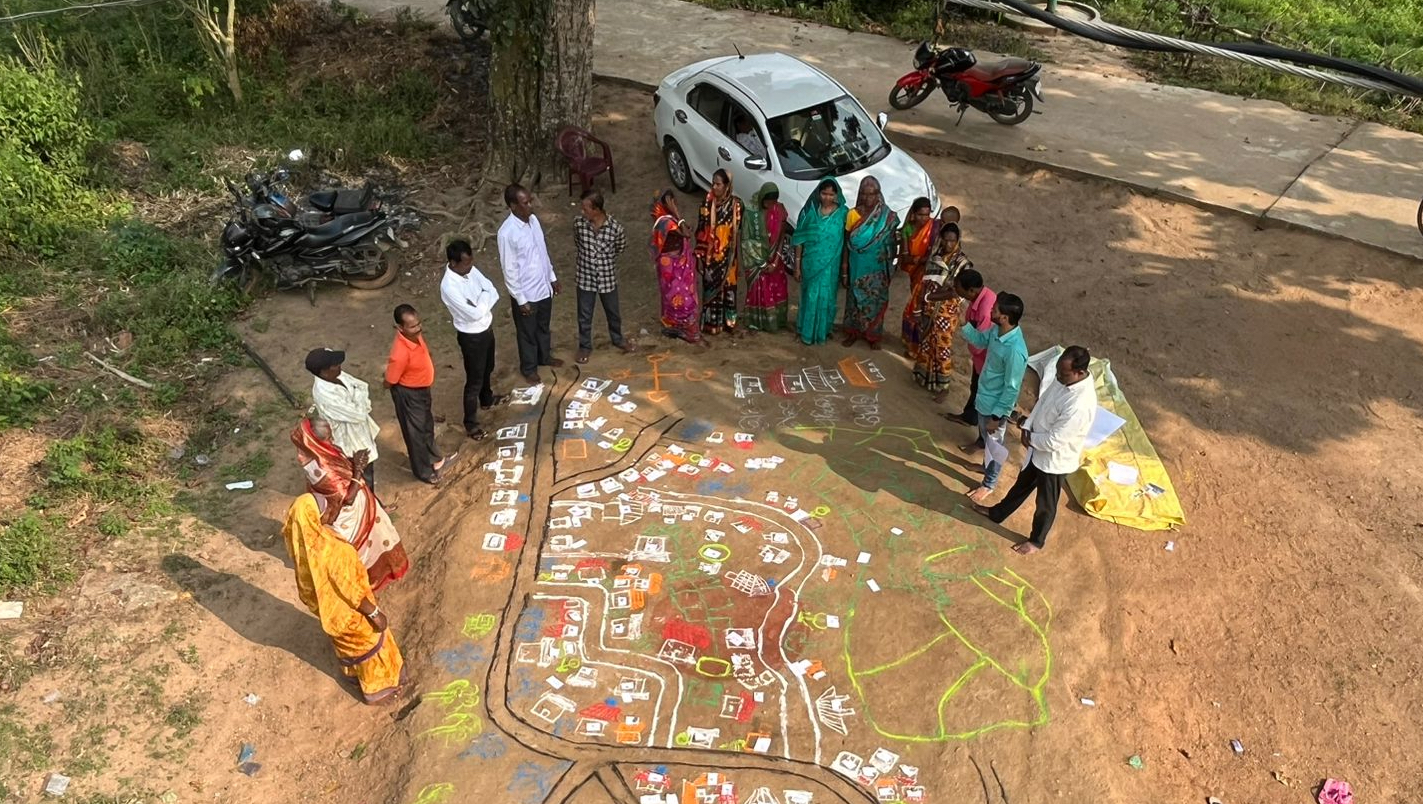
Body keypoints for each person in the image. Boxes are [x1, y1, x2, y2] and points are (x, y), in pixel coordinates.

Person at [281, 490, 406, 704]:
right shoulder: (330, 550)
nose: (330, 511)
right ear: (314, 517)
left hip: (329, 613)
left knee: (347, 646)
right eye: (324, 510)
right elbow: (351, 590)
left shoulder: (301, 546)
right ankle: (380, 689)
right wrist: (374, 614)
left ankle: (352, 675)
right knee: (371, 643)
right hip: (352, 613)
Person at [974, 346, 1097, 554]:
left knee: (1045, 504)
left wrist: (1031, 439)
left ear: (1080, 372)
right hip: (1036, 447)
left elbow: (1055, 440)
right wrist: (1027, 426)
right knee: (1021, 485)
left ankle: (1036, 541)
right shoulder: (1063, 380)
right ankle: (997, 513)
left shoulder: (1080, 404)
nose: (1058, 377)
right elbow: (1042, 403)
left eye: (1064, 374)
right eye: (1057, 372)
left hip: (1054, 461)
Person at [291, 416, 409, 590]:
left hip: (354, 505)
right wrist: (359, 470)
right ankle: (369, 581)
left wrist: (354, 462)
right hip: (350, 515)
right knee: (365, 548)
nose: (332, 441)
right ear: (315, 443)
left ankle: (383, 570)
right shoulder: (321, 470)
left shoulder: (318, 454)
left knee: (379, 537)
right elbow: (347, 498)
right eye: (328, 439)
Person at [959, 292, 1028, 503]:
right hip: (983, 398)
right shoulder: (996, 330)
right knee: (987, 440)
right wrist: (964, 323)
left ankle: (989, 484)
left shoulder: (1015, 351)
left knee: (994, 445)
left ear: (1005, 317)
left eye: (995, 310)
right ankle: (984, 467)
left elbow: (1011, 389)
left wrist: (997, 416)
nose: (991, 311)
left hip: (995, 407)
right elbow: (980, 340)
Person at [498, 183, 563, 384]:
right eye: (525, 203)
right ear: (513, 206)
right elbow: (509, 269)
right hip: (526, 293)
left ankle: (544, 356)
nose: (530, 206)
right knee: (527, 332)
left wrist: (552, 277)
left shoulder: (534, 221)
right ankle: (529, 368)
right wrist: (520, 299)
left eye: (530, 201)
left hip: (543, 286)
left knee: (543, 326)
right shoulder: (507, 233)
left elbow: (542, 252)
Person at [440, 240, 504, 442]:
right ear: (453, 262)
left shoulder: (471, 270)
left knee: (488, 367)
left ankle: (487, 399)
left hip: (486, 328)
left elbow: (493, 290)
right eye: (465, 264)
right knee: (474, 379)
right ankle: (471, 423)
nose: (470, 266)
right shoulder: (449, 287)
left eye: (470, 262)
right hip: (471, 336)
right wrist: (485, 298)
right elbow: (474, 314)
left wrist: (482, 299)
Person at [384, 304, 454, 485]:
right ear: (400, 328)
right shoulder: (399, 353)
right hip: (408, 394)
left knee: (426, 425)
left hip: (422, 390)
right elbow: (390, 379)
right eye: (412, 326)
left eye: (419, 323)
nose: (418, 328)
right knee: (415, 433)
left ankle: (436, 459)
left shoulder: (414, 337)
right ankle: (422, 471)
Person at [305, 347, 381, 492]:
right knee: (361, 477)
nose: (339, 366)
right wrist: (361, 401)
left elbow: (362, 386)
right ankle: (371, 509)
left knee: (368, 471)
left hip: (359, 432)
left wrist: (360, 404)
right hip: (350, 441)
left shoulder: (337, 375)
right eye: (335, 365)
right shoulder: (325, 396)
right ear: (324, 371)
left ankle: (375, 505)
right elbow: (359, 413)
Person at [572, 188, 634, 363]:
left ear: (597, 209)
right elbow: (577, 242)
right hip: (585, 277)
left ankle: (618, 338)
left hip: (607, 278)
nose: (582, 212)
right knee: (584, 315)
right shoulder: (578, 224)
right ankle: (585, 346)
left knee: (613, 312)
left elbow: (620, 248)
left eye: (586, 209)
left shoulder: (615, 229)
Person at [913, 223, 973, 402]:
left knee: (942, 348)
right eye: (945, 240)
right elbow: (925, 282)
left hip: (947, 311)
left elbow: (957, 291)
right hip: (929, 307)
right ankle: (925, 377)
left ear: (957, 241)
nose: (948, 244)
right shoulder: (935, 257)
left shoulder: (962, 264)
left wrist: (931, 298)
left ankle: (944, 387)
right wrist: (921, 304)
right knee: (926, 342)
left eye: (952, 241)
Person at [841, 176, 900, 350]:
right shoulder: (853, 215)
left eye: (872, 194)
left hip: (877, 268)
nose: (868, 198)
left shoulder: (886, 217)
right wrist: (844, 269)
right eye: (864, 194)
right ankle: (853, 332)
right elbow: (846, 243)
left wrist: (891, 263)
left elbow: (891, 242)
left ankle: (873, 336)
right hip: (857, 265)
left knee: (875, 300)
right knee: (854, 301)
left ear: (878, 194)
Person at [790, 178, 848, 346]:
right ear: (818, 193)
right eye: (824, 193)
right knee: (810, 296)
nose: (827, 198)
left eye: (831, 194)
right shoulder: (810, 213)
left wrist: (845, 268)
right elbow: (799, 240)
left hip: (831, 266)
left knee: (827, 297)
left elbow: (846, 242)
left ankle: (822, 331)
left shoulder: (843, 214)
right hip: (811, 265)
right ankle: (806, 332)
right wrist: (797, 267)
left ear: (837, 194)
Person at [942, 267, 997, 431]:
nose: (956, 290)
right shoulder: (980, 298)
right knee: (976, 386)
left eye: (958, 287)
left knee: (983, 391)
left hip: (988, 358)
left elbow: (979, 344)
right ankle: (969, 417)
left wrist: (964, 326)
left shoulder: (985, 310)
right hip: (982, 358)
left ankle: (981, 432)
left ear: (971, 290)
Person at [694, 169, 743, 336]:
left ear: (727, 186)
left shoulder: (737, 205)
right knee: (711, 291)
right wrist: (699, 256)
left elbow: (738, 232)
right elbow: (701, 231)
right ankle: (711, 325)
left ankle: (730, 324)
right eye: (712, 183)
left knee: (729, 290)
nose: (714, 187)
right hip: (711, 258)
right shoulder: (706, 204)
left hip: (729, 258)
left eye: (718, 184)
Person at [650, 189, 703, 344]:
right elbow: (686, 233)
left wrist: (677, 216)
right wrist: (677, 214)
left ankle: (682, 328)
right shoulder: (666, 222)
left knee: (676, 297)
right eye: (672, 202)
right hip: (671, 267)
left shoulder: (668, 220)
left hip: (673, 265)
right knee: (678, 298)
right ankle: (684, 329)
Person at [740, 182, 792, 333]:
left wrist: (776, 260)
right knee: (759, 290)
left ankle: (776, 322)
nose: (770, 205)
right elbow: (746, 241)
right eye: (767, 202)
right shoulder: (751, 213)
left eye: (773, 202)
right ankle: (758, 321)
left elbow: (782, 236)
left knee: (777, 289)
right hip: (757, 262)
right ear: (762, 198)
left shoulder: (780, 210)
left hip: (775, 260)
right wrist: (762, 264)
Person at [898, 197, 936, 357]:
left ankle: (919, 347)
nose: (924, 219)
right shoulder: (907, 229)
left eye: (926, 215)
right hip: (916, 273)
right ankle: (912, 344)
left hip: (930, 275)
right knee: (916, 308)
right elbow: (905, 258)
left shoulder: (935, 227)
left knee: (920, 309)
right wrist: (920, 259)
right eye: (920, 215)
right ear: (914, 214)